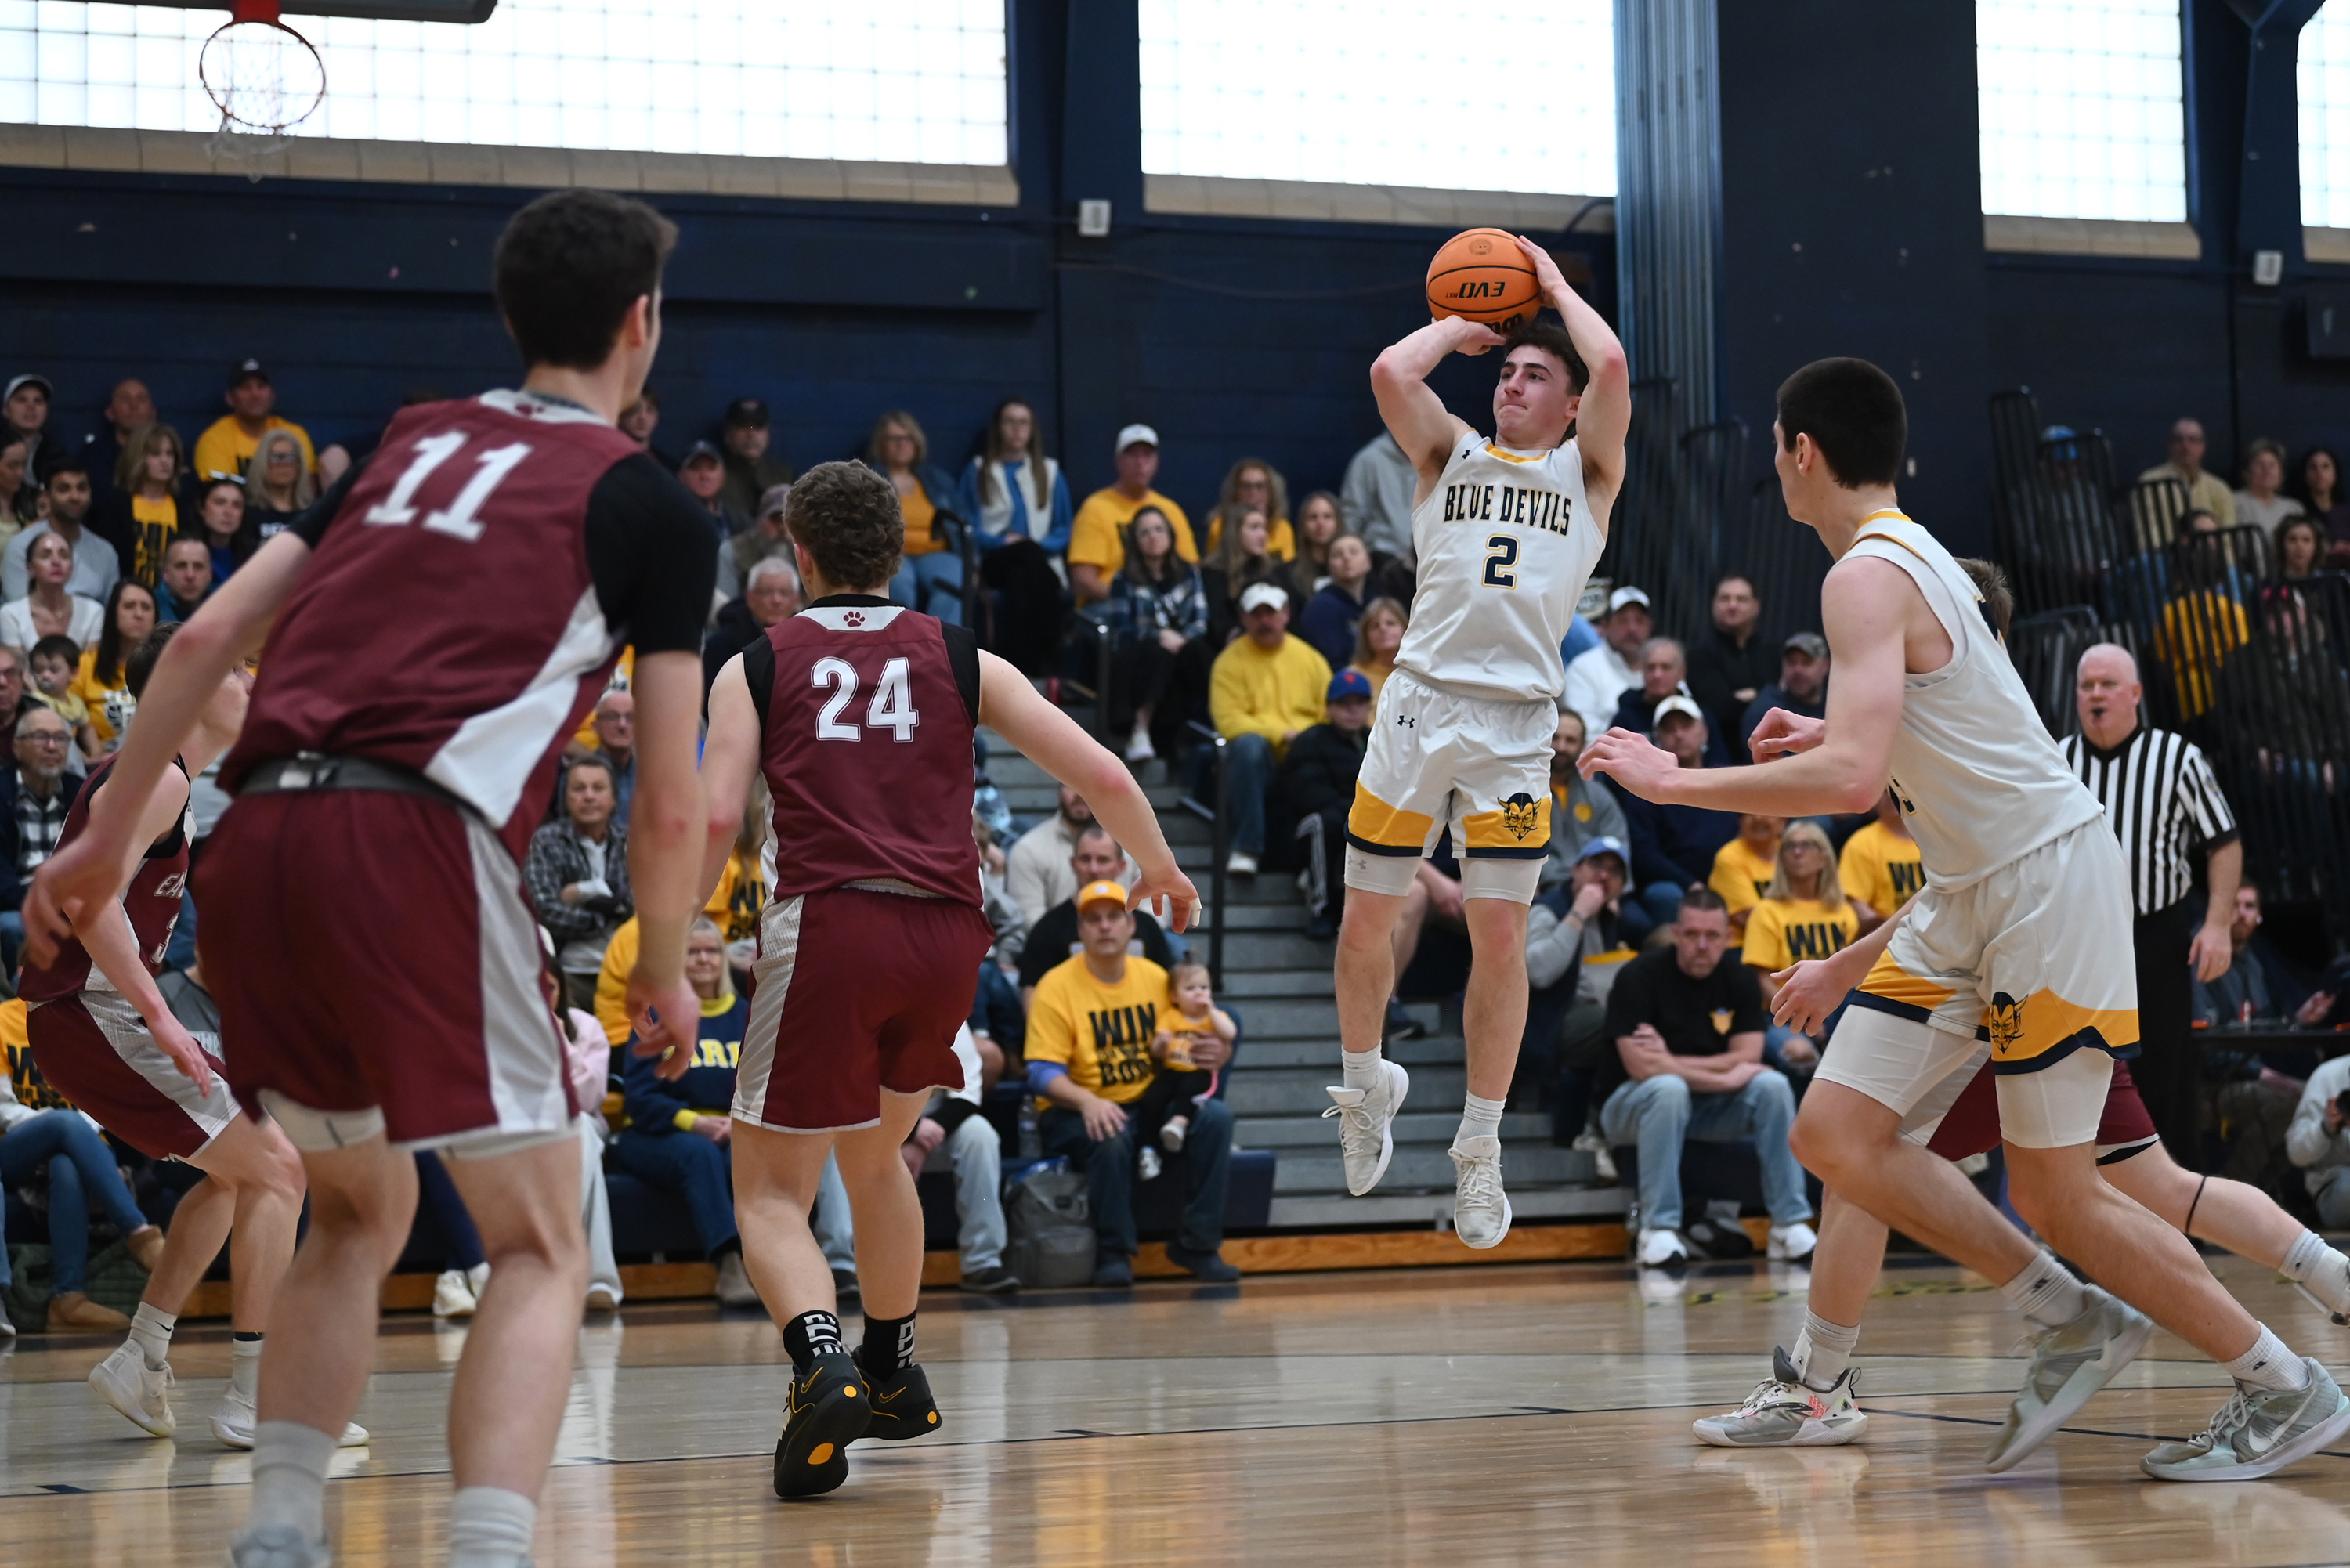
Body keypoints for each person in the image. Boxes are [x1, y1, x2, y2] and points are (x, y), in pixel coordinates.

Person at [24, 189, 717, 1567]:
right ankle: (486, 1547)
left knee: (354, 1205)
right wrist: (666, 955)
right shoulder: (651, 503)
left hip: (264, 834)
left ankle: (280, 1530)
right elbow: (676, 787)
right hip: (416, 835)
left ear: (512, 318)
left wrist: (100, 839)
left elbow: (212, 628)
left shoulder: (406, 437)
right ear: (643, 325)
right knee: (531, 1243)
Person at [1583, 354, 2345, 1481]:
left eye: (1776, 449)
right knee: (1834, 1131)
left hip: (2038, 881)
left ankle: (2284, 1383)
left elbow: (1850, 784)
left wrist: (1670, 781)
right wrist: (1836, 729)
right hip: (1966, 889)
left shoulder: (1862, 576)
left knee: (2066, 1189)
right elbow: (1911, 737)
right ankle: (2058, 1311)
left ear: (1802, 451)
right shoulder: (1906, 552)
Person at [693, 457, 1198, 1497]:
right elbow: (1101, 770)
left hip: (830, 920)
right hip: (944, 934)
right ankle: (890, 1360)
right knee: (879, 1160)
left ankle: (821, 1357)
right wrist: (1159, 865)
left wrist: (675, 931)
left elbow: (710, 820)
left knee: (770, 1192)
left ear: (801, 552)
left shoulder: (756, 662)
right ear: (899, 554)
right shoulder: (959, 652)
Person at [1699, 968, 2350, 1449]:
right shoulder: (2057, 810)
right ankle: (2326, 1274)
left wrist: (1842, 969)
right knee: (2159, 1185)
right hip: (2078, 981)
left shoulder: (1985, 794)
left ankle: (1820, 1387)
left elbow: (1949, 878)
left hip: (2001, 995)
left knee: (1859, 1155)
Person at [1329, 235, 1629, 1248]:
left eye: (1534, 372)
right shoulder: (1444, 450)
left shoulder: (1586, 475)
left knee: (1501, 936)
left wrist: (1545, 287)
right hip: (1416, 705)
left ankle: (1480, 1146)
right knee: (1366, 918)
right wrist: (1464, 323)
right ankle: (1368, 1081)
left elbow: (1616, 366)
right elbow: (1386, 371)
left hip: (1513, 729)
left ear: (1569, 403)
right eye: (1505, 369)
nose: (1512, 379)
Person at [25, 627, 353, 1449]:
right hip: (91, 1011)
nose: (253, 680)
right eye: (240, 668)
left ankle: (142, 1357)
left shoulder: (168, 777)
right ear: (197, 683)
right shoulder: (159, 780)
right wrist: (167, 1017)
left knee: (238, 1176)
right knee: (281, 1166)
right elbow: (88, 906)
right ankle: (263, 1398)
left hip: (96, 1011)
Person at [2061, 642, 2240, 1169]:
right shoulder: (2056, 760)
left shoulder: (2177, 757)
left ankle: (2177, 1221)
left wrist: (2218, 925)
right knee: (2084, 1072)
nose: (2096, 694)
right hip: (2081, 940)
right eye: (2087, 685)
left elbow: (2223, 841)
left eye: (2108, 684)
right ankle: (2094, 1217)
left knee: (2164, 1072)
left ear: (2135, 693)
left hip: (2155, 935)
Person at [1596, 890, 1816, 1269]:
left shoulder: (1740, 980)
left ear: (1727, 938)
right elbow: (1644, 1069)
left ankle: (1788, 1223)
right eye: (1692, 935)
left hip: (1704, 1108)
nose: (1702, 945)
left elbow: (1747, 1056)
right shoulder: (1638, 977)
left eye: (1712, 936)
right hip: (1629, 1108)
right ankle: (1657, 1229)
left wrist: (1670, 1060)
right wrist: (1724, 1076)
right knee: (1668, 1089)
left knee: (1773, 1086)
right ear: (1677, 933)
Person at [1028, 883, 1233, 1287]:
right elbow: (1039, 1071)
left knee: (1217, 1119)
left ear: (1130, 926)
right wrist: (1088, 1102)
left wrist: (1219, 1053)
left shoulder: (1157, 978)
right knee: (1110, 1130)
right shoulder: (1055, 986)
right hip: (1074, 1109)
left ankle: (1197, 1244)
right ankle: (1113, 1251)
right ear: (1081, 930)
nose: (1104, 927)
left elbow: (1203, 1029)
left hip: (1150, 1102)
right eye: (1093, 919)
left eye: (1113, 917)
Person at [613, 919, 758, 1306]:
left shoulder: (746, 1016)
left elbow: (762, 1087)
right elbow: (640, 1098)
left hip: (731, 1130)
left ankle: (765, 1264)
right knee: (700, 1153)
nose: (704, 959)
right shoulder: (655, 1017)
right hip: (652, 1134)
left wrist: (738, 1123)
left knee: (746, 1158)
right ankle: (728, 1264)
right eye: (693, 952)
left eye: (711, 950)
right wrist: (694, 1123)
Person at [0, 1034, 168, 1331]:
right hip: (18, 1152)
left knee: (66, 1163)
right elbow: (4, 1109)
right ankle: (139, 1233)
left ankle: (68, 1299)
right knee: (66, 1125)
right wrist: (52, 1126)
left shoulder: (79, 1025)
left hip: (80, 1147)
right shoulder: (3, 1022)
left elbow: (102, 1100)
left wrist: (74, 1138)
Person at [1209, 580, 1332, 876]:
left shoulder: (1311, 660)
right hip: (1261, 758)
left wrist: (1304, 739)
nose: (1264, 621)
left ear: (1286, 614)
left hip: (1304, 752)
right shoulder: (1229, 663)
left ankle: (1314, 864)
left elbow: (1330, 712)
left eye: (1271, 613)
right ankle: (1246, 848)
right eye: (1256, 614)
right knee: (1247, 746)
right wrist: (1282, 734)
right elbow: (1229, 721)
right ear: (1243, 618)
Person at [954, 397, 1071, 676]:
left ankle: (1022, 666)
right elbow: (966, 527)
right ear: (998, 428)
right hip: (995, 558)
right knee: (1026, 560)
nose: (1017, 429)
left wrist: (1035, 546)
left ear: (1032, 429)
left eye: (1024, 423)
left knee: (1022, 580)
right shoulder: (979, 469)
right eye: (1010, 422)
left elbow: (1063, 528)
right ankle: (1050, 656)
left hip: (1037, 561)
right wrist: (1003, 542)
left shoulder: (1050, 471)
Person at [901, 1023, 1019, 1294]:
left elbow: (969, 1089)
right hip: (869, 1123)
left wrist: (922, 1137)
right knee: (832, 1141)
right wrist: (908, 1131)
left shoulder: (946, 1002)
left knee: (980, 1135)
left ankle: (983, 1262)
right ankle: (841, 1265)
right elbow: (850, 1083)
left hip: (932, 1123)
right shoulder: (861, 1001)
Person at [1737, 820, 1857, 1075]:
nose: (1797, 852)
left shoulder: (1842, 911)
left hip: (1836, 1010)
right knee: (1800, 1054)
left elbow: (1852, 974)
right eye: (1790, 846)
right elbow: (1761, 978)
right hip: (1781, 1018)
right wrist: (1802, 1016)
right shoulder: (1767, 912)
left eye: (1806, 845)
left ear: (1824, 857)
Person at [1615, 696, 1740, 941]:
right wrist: (1690, 885)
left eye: (1686, 726)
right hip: (1675, 887)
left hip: (1733, 877)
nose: (1679, 735)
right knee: (1664, 894)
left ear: (1704, 733)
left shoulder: (1727, 779)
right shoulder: (1644, 789)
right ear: (1657, 739)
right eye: (1669, 729)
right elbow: (1645, 855)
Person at [1015, 823, 1176, 1001]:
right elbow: (1032, 995)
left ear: (1121, 866)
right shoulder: (1047, 929)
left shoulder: (1146, 925)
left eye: (1103, 860)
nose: (1094, 869)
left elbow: (1170, 988)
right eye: (1085, 859)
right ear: (1073, 864)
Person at [1101, 504, 1210, 764]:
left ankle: (1212, 723)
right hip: (1142, 652)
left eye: (1160, 529)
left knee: (1198, 651)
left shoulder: (1189, 573)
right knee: (1158, 654)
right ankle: (1140, 728)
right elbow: (1122, 629)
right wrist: (1159, 636)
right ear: (1135, 542)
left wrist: (1180, 639)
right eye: (1145, 532)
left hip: (1183, 648)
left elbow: (1200, 621)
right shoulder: (1123, 579)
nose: (1154, 537)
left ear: (1171, 534)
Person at [526, 754, 634, 1013]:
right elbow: (544, 909)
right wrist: (602, 916)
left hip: (628, 971)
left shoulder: (630, 840)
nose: (588, 796)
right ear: (566, 797)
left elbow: (641, 902)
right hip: (568, 973)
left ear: (613, 798)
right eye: (578, 788)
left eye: (598, 788)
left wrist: (579, 893)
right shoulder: (545, 841)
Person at [1283, 669, 1375, 939]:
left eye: (1359, 703)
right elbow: (1308, 794)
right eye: (1343, 704)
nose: (1352, 710)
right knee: (1326, 822)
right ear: (1329, 708)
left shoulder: (1377, 741)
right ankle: (1322, 909)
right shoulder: (1311, 740)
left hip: (1362, 818)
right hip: (1308, 826)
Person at [1068, 425, 1195, 605]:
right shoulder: (1096, 508)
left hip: (1167, 608)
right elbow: (1083, 581)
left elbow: (1191, 571)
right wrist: (1136, 605)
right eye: (1132, 455)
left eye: (1147, 455)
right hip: (1111, 609)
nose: (1140, 463)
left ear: (1156, 461)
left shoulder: (1171, 510)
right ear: (1118, 461)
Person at [1131, 959, 1231, 1174]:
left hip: (1199, 1071)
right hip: (1172, 1070)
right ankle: (1148, 1151)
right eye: (1190, 989)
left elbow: (1230, 1033)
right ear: (1174, 996)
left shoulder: (1211, 1018)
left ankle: (1178, 1124)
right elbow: (1156, 1052)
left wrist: (1212, 1009)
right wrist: (1161, 1043)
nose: (1199, 994)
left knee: (1191, 1090)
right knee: (1152, 1099)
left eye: (1204, 988)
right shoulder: (1171, 1017)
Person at [869, 410, 964, 625]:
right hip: (893, 552)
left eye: (907, 438)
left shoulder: (937, 480)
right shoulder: (870, 479)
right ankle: (905, 646)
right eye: (894, 439)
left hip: (936, 551)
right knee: (899, 583)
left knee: (954, 582)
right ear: (881, 444)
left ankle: (941, 647)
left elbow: (961, 522)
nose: (902, 444)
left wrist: (973, 563)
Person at [1004, 782, 1139, 927]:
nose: (1080, 794)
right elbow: (1030, 919)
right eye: (1071, 784)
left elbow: (1153, 913)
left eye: (1089, 786)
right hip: (1055, 946)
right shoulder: (1028, 849)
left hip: (1129, 943)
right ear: (1059, 791)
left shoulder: (1134, 846)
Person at [3, 460, 121, 602]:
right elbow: (18, 612)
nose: (75, 497)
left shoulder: (106, 553)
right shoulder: (21, 546)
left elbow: (112, 616)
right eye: (64, 489)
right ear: (46, 497)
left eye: (82, 488)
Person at [1687, 574, 1777, 761]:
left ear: (1756, 606)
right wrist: (1759, 696)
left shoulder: (1772, 654)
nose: (1733, 605)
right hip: (1719, 760)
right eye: (1725, 598)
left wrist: (1742, 698)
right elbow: (1720, 710)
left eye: (1741, 599)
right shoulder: (1700, 655)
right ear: (1713, 604)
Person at [1539, 708, 1627, 889]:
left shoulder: (1599, 796)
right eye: (1555, 738)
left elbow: (1617, 846)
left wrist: (1611, 893)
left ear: (1582, 747)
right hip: (1538, 887)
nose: (1561, 747)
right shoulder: (1525, 795)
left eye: (1570, 740)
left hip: (1593, 889)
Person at [1610, 637, 1731, 768]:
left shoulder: (1702, 715)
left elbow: (1720, 764)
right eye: (1651, 668)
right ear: (1642, 671)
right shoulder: (1625, 720)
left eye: (1666, 667)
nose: (1657, 675)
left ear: (1682, 672)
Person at [192, 359, 316, 483]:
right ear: (230, 398)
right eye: (245, 388)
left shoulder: (294, 435)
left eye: (261, 386)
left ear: (272, 395)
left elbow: (307, 493)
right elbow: (219, 496)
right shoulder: (215, 440)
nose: (255, 394)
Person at [97, 421, 188, 587]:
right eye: (156, 454)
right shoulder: (116, 506)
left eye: (170, 454)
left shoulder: (184, 508)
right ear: (139, 457)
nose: (165, 461)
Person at [70, 579, 157, 754]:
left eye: (146, 607)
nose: (139, 614)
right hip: (99, 765)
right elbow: (67, 723)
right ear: (113, 613)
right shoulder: (86, 664)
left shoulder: (169, 668)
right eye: (129, 606)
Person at [1562, 585, 1651, 743]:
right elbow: (1582, 737)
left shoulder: (1660, 668)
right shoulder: (1583, 669)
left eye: (1639, 621)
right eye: (1623, 620)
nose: (1632, 629)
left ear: (1650, 626)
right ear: (1605, 625)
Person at [704, 555, 801, 690]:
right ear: (750, 599)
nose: (776, 600)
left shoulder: (808, 643)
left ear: (796, 600)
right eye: (768, 592)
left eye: (784, 593)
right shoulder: (720, 646)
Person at [0, 529, 104, 653]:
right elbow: (18, 670)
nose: (56, 562)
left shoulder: (93, 612)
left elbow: (89, 668)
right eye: (45, 555)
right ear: (30, 568)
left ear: (71, 568)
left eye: (64, 555)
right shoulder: (11, 614)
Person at [1838, 787, 1922, 934]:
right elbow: (1856, 903)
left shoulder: (1931, 840)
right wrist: (1892, 932)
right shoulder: (1860, 843)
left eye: (1896, 790)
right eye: (1884, 792)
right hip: (1887, 939)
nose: (1890, 797)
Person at [2138, 416, 2235, 533]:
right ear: (2169, 444)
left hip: (2210, 551)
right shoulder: (2150, 482)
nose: (2186, 446)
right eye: (2179, 440)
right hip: (2166, 551)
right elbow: (2145, 534)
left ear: (2203, 446)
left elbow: (2229, 538)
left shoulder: (2219, 488)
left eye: (2193, 440)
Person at [1198, 505, 1277, 650]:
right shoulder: (1213, 572)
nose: (1263, 535)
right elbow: (1218, 625)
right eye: (1254, 528)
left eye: (1264, 528)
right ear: (1234, 533)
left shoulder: (1272, 570)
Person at [1342, 426, 1419, 565]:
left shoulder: (1432, 459)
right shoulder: (1368, 460)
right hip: (1382, 558)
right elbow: (1351, 516)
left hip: (1425, 557)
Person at [1297, 531, 1374, 670]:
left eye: (1354, 552)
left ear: (1368, 562)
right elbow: (1333, 663)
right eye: (1337, 555)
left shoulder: (1374, 603)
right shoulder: (1321, 608)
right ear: (1329, 567)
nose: (1346, 558)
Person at [1740, 631, 1830, 749]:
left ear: (1826, 666)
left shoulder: (1836, 709)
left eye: (1807, 662)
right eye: (1791, 662)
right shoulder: (1766, 712)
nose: (1798, 670)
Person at [79, 377, 156, 509]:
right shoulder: (93, 456)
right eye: (125, 399)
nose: (134, 406)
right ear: (110, 413)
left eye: (141, 399)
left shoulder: (170, 454)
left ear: (153, 413)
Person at [1202, 457, 1296, 560]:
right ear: (1235, 492)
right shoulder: (1220, 525)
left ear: (1271, 491)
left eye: (1260, 486)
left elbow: (1288, 569)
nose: (1253, 492)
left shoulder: (1282, 527)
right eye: (1246, 486)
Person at [717, 396, 794, 520]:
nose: (751, 434)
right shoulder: (715, 477)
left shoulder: (784, 476)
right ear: (728, 435)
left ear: (767, 435)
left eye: (758, 427)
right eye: (743, 427)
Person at [714, 482, 793, 602]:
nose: (783, 528)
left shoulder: (810, 553)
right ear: (760, 520)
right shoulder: (733, 550)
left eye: (790, 521)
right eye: (776, 519)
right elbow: (724, 603)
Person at [1707, 811, 1784, 934]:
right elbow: (1751, 918)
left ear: (1783, 820)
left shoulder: (1793, 853)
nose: (1758, 817)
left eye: (1767, 811)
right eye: (1749, 813)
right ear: (1740, 822)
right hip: (1744, 945)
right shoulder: (1729, 857)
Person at [28, 635, 100, 762]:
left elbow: (87, 728)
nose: (45, 676)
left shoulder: (75, 702)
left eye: (53, 670)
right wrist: (85, 760)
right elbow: (67, 743)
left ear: (73, 674)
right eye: (39, 670)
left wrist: (96, 753)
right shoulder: (37, 702)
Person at [242, 429, 317, 539]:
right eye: (275, 457)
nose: (283, 464)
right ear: (262, 464)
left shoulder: (313, 514)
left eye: (290, 457)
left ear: (299, 465)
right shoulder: (247, 513)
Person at [1279, 489, 1346, 605]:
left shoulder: (1352, 570)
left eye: (1327, 516)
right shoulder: (1286, 574)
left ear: (1338, 523)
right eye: (1313, 517)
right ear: (1303, 525)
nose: (1320, 523)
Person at [192, 475, 262, 584]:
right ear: (202, 508)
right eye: (220, 503)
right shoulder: (185, 551)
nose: (228, 512)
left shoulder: (254, 557)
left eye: (237, 505)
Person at [2233, 437, 2303, 537]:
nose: (2267, 470)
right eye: (2259, 464)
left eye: (2272, 465)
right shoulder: (2233, 502)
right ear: (2246, 472)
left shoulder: (2294, 509)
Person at [678, 439, 747, 542]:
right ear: (681, 476)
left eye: (711, 468)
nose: (704, 476)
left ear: (723, 476)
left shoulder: (738, 519)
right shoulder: (671, 518)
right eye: (695, 468)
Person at [2296, 443, 2350, 564]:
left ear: (2335, 473)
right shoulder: (2298, 512)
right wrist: (2330, 550)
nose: (2319, 472)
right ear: (2305, 474)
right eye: (2313, 467)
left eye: (2326, 467)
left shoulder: (2346, 511)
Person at [1347, 594, 1407, 702]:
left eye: (1391, 623)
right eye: (1375, 626)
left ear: (1406, 629)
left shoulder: (1419, 672)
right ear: (1366, 636)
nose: (1383, 629)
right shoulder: (1353, 675)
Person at [590, 689, 635, 826]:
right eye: (612, 717)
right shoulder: (579, 775)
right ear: (595, 726)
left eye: (631, 718)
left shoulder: (652, 776)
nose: (622, 725)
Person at [157, 536, 215, 623]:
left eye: (198, 566)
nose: (190, 575)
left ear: (210, 573)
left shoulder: (225, 609)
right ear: (165, 572)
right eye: (181, 566)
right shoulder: (149, 608)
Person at [618, 385, 666, 465]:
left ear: (657, 416)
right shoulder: (607, 461)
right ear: (621, 415)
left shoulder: (667, 466)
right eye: (634, 410)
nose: (643, 418)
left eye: (650, 410)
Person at [2276, 513, 2325, 580]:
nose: (2299, 546)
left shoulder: (2328, 584)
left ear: (2317, 546)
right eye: (2292, 539)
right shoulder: (2269, 586)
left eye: (2306, 540)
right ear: (2281, 544)